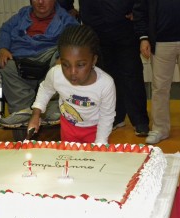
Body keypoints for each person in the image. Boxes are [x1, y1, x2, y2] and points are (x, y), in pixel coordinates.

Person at [61, 0, 149, 137]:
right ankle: (115, 118)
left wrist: (138, 10)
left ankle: (140, 121)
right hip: (95, 31)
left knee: (132, 75)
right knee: (104, 78)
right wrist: (67, 8)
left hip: (124, 28)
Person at [133, 0, 180, 144]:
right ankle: (159, 129)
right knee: (160, 89)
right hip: (160, 42)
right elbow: (140, 10)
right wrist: (143, 37)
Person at [0, 0, 79, 128]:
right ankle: (21, 110)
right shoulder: (22, 15)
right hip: (21, 56)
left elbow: (76, 37)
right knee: (6, 64)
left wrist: (64, 55)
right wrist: (3, 48)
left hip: (50, 55)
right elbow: (5, 30)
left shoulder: (65, 18)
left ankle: (53, 106)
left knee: (62, 65)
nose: (41, 2)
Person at [28, 25, 116, 144]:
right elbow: (45, 89)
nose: (72, 72)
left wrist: (100, 143)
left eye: (80, 65)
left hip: (95, 130)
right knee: (70, 160)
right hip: (68, 127)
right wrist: (36, 114)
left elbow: (107, 116)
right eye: (65, 64)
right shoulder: (56, 74)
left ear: (93, 60)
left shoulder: (105, 84)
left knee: (93, 161)